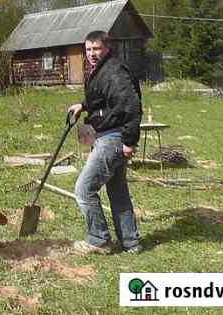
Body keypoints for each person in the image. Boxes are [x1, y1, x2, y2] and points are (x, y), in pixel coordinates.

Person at [68, 30, 142, 255]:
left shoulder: (114, 72)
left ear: (107, 48)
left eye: (96, 49)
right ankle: (131, 243)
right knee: (117, 191)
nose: (91, 53)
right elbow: (104, 100)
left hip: (113, 138)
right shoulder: (101, 70)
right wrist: (83, 105)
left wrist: (129, 142)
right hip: (109, 135)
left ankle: (99, 240)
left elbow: (131, 106)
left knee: (84, 189)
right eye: (88, 49)